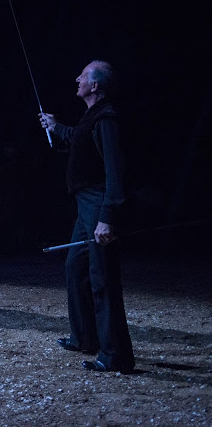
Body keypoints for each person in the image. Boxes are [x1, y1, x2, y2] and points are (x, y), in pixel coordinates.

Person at [39, 60, 135, 373]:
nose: (76, 78)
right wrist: (55, 127)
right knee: (74, 267)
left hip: (97, 203)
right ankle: (84, 337)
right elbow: (77, 138)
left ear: (94, 86)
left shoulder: (107, 119)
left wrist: (108, 215)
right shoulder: (92, 116)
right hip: (85, 205)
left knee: (102, 278)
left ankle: (115, 355)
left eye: (82, 75)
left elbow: (115, 171)